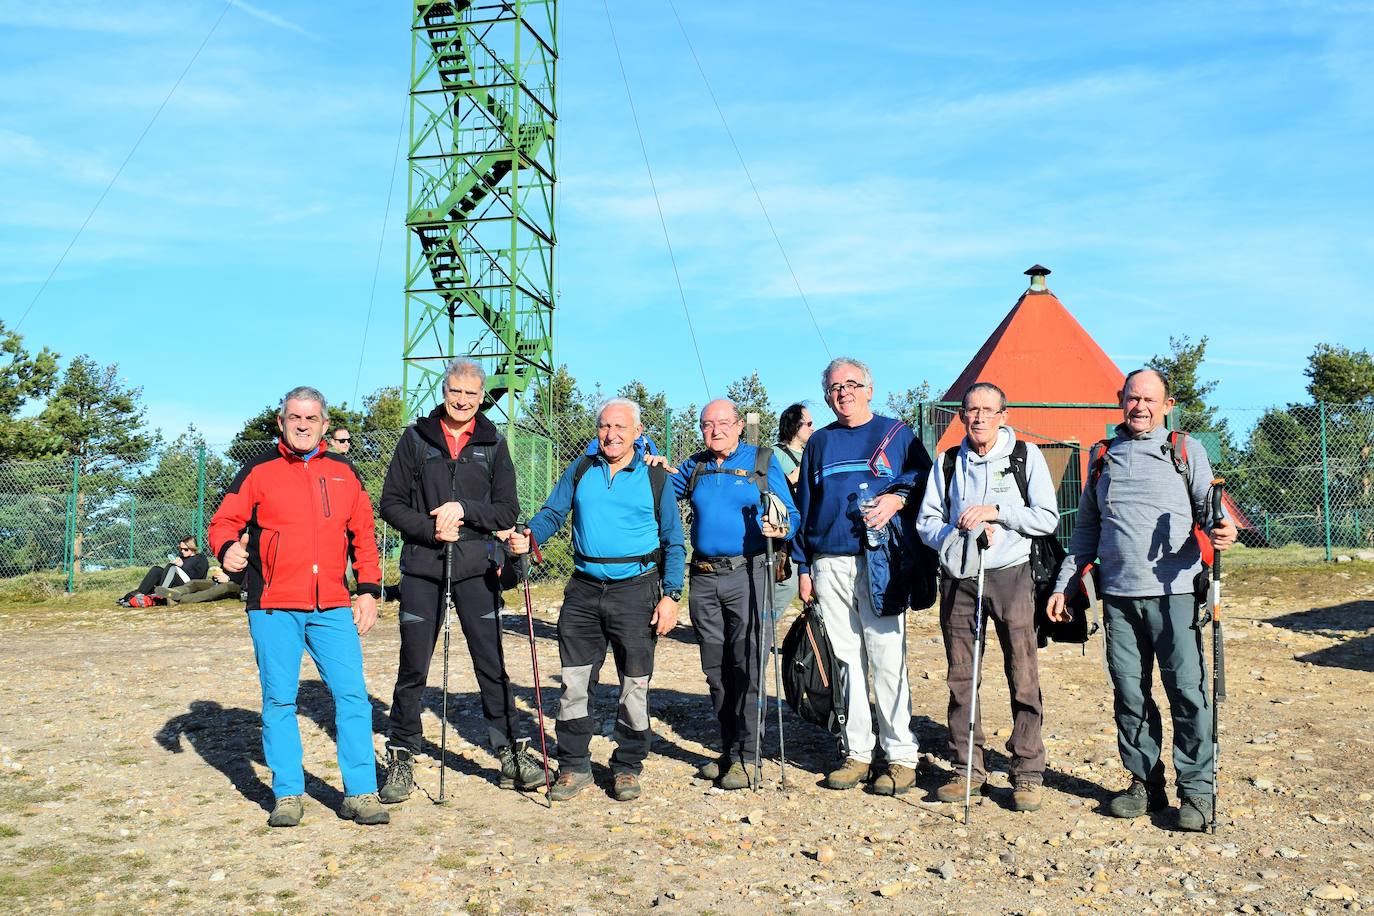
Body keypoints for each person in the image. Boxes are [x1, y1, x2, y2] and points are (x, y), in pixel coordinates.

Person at [1047, 368, 1237, 832]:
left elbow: (1210, 512)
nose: (1141, 407)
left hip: (1175, 596)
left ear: (1167, 405)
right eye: (1133, 398)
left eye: (1151, 400)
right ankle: (1144, 784)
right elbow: (1085, 532)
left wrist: (1224, 530)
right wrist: (1063, 585)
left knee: (1188, 694)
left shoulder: (1185, 451)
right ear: (1120, 400)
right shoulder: (1102, 457)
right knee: (1131, 694)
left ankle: (1197, 792)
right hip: (1118, 597)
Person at [208, 385, 388, 828]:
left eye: (311, 418)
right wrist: (227, 547)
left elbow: (364, 535)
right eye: (294, 417)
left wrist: (368, 590)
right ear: (282, 423)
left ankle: (360, 792)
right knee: (279, 700)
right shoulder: (257, 470)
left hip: (332, 605)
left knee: (352, 697)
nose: (303, 425)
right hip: (272, 605)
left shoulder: (345, 472)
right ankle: (288, 793)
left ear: (324, 425)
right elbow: (223, 521)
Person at [375, 358, 543, 802]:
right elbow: (389, 503)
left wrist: (465, 509)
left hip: (476, 568)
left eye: (471, 394)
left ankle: (511, 749)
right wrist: (430, 528)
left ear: (481, 395)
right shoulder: (415, 439)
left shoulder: (493, 443)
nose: (463, 401)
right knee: (413, 665)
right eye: (455, 391)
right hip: (423, 566)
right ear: (444, 390)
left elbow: (507, 510)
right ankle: (401, 751)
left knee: (491, 661)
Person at [505, 397, 685, 803]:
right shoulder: (582, 468)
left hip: (638, 590)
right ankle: (573, 765)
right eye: (605, 426)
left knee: (634, 685)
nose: (612, 434)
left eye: (621, 427)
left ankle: (627, 766)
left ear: (639, 433)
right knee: (573, 683)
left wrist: (671, 596)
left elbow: (675, 541)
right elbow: (552, 513)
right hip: (584, 589)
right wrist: (528, 537)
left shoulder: (656, 479)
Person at [916, 382, 1060, 813]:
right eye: (970, 410)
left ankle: (1028, 771)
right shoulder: (946, 463)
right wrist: (956, 535)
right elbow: (927, 522)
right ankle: (967, 768)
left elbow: (1047, 518)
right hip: (960, 579)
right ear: (961, 416)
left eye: (987, 410)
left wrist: (999, 514)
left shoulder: (1025, 457)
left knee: (1023, 672)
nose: (978, 417)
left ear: (1004, 415)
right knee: (962, 677)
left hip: (1012, 575)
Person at [793, 357, 932, 795]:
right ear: (826, 395)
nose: (843, 393)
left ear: (870, 389)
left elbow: (925, 481)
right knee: (845, 660)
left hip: (880, 563)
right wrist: (802, 565)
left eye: (852, 384)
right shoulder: (818, 442)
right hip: (828, 561)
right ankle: (856, 752)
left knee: (887, 656)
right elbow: (804, 508)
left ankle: (901, 756)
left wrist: (898, 500)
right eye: (835, 387)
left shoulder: (897, 434)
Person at [671, 399, 798, 790]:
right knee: (715, 670)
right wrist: (648, 457)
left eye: (723, 423)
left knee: (748, 666)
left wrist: (780, 528)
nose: (715, 430)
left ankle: (748, 757)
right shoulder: (694, 467)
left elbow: (791, 515)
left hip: (750, 573)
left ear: (739, 425)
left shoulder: (761, 461)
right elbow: (655, 488)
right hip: (704, 578)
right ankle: (729, 751)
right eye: (707, 424)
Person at [770, 402, 814, 613]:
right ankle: (763, 627)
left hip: (811, 526)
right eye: (809, 424)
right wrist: (792, 478)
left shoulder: (812, 452)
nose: (812, 428)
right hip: (787, 529)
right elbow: (767, 488)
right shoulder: (774, 454)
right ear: (796, 426)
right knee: (787, 582)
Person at [122, 536, 209, 603]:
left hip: (188, 585)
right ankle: (140, 593)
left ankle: (159, 595)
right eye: (181, 549)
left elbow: (197, 577)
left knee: (172, 567)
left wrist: (182, 566)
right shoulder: (183, 558)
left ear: (193, 548)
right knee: (157, 570)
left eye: (185, 549)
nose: (182, 551)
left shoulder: (201, 558)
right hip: (174, 583)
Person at [165, 568, 244, 604]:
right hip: (223, 580)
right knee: (195, 583)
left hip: (240, 585)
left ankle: (178, 600)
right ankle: (173, 592)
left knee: (220, 589)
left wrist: (229, 578)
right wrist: (217, 576)